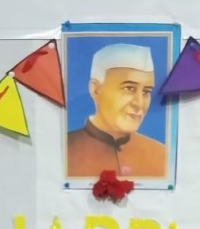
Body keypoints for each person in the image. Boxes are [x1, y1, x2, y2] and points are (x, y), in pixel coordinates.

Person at [67, 43, 168, 179]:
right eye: (129, 88)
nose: (139, 103)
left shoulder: (161, 155)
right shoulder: (62, 152)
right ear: (96, 90)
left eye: (146, 91)